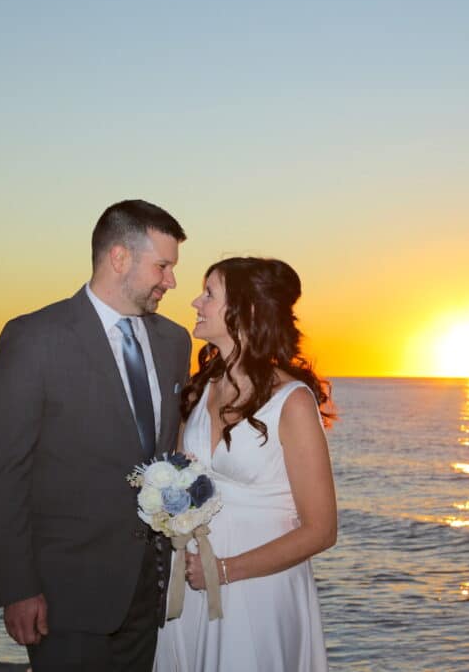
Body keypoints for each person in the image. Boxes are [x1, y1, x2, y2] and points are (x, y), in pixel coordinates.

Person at [0, 199, 192, 672]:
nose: (171, 281)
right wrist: (18, 588)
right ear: (119, 258)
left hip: (147, 589)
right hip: (63, 598)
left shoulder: (176, 342)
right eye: (162, 266)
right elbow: (3, 474)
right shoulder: (34, 338)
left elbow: (166, 451)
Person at [153, 257, 338, 671]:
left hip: (257, 587)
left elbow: (322, 530)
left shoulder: (292, 403)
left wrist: (224, 570)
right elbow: (181, 478)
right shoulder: (200, 391)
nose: (196, 302)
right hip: (195, 578)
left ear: (246, 310)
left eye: (209, 294)